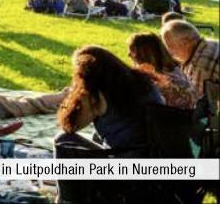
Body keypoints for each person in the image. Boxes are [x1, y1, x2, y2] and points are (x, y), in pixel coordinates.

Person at [55, 46, 164, 202]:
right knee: (96, 136)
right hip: (158, 167)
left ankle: (66, 199)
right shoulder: (145, 82)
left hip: (127, 175)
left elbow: (70, 125)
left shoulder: (96, 94)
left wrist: (75, 95)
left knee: (63, 140)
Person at [127, 32, 197, 110]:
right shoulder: (175, 69)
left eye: (132, 51)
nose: (128, 54)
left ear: (144, 54)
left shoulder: (157, 81)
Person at [161, 20, 219, 102]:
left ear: (185, 43)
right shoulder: (209, 44)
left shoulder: (201, 64)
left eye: (170, 46)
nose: (170, 53)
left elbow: (198, 103)